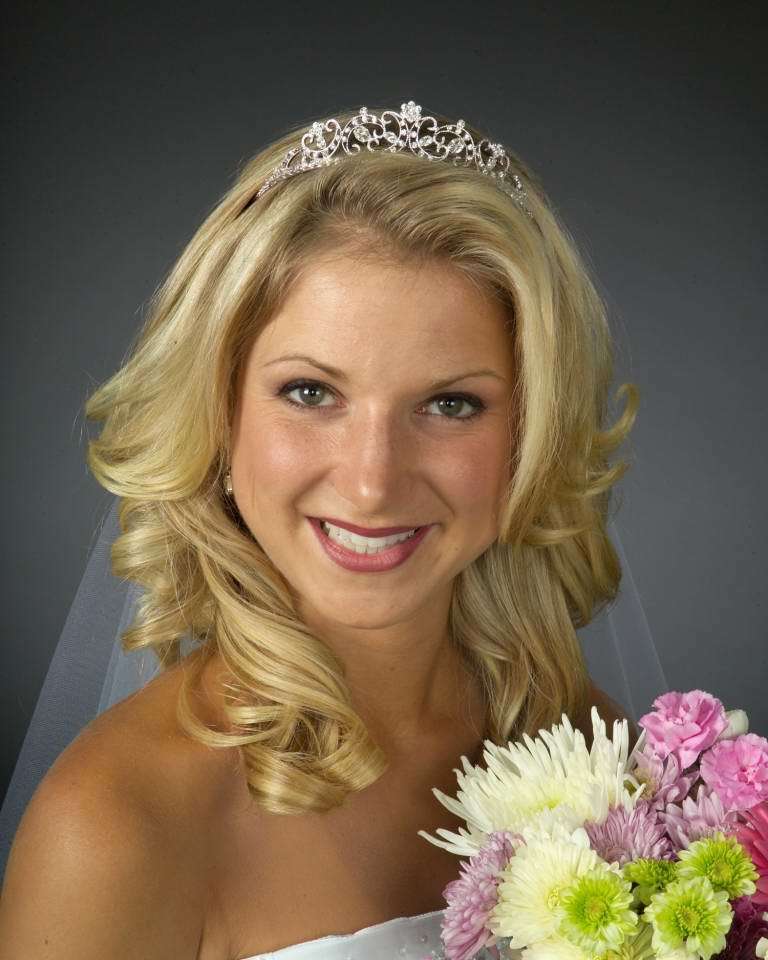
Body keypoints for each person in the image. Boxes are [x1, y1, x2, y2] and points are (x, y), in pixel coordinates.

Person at [0, 101, 639, 959]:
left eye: (451, 404)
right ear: (219, 415)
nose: (372, 482)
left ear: (532, 435)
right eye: (311, 393)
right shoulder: (115, 829)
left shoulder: (592, 754)